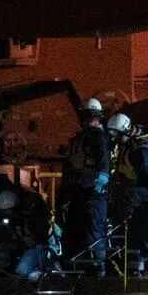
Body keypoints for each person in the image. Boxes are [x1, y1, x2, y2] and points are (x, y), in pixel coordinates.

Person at [107, 113, 148, 276]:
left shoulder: (141, 151)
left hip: (145, 194)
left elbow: (145, 177)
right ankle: (135, 267)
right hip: (143, 191)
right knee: (135, 231)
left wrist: (133, 201)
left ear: (125, 131)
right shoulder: (140, 136)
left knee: (146, 231)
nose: (116, 140)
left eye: (116, 135)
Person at [60, 97, 111, 276]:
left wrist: (99, 182)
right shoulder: (84, 138)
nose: (88, 120)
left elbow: (104, 165)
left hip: (94, 192)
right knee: (75, 229)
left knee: (93, 230)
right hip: (81, 190)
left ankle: (98, 268)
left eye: (90, 116)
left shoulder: (99, 138)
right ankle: (79, 265)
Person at [0, 176, 56, 281]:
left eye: (9, 213)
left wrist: (40, 269)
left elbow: (40, 240)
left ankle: (50, 265)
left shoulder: (32, 212)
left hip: (35, 246)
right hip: (18, 244)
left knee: (23, 270)